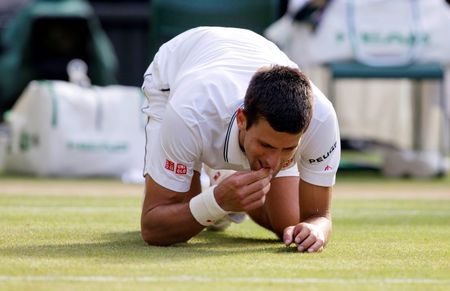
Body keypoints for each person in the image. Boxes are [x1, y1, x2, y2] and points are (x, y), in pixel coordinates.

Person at [140, 26, 340, 253]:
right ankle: (220, 186)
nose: (273, 163)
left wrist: (316, 230)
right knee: (179, 222)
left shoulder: (322, 120)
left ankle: (224, 179)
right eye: (266, 145)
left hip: (244, 55)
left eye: (288, 149)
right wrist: (217, 201)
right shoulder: (188, 113)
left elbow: (319, 216)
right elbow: (153, 227)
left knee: (290, 224)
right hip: (173, 72)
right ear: (243, 120)